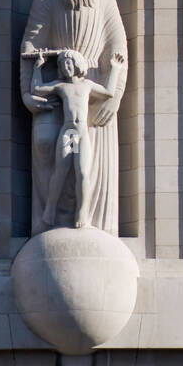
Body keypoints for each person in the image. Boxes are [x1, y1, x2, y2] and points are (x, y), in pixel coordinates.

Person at [30, 49, 126, 230]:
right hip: (68, 132)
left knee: (82, 173)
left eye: (68, 63)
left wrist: (114, 69)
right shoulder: (61, 86)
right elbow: (37, 89)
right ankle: (50, 210)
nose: (66, 67)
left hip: (81, 133)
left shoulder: (87, 85)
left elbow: (108, 92)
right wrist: (37, 68)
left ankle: (82, 213)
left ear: (77, 64)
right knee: (60, 171)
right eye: (62, 64)